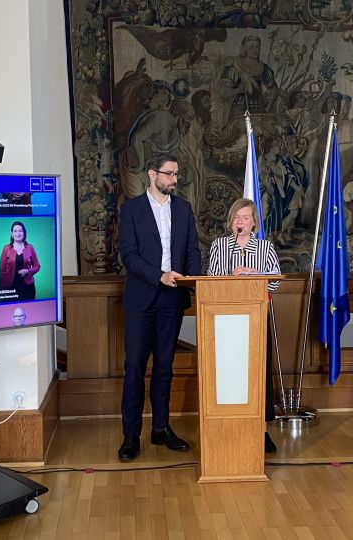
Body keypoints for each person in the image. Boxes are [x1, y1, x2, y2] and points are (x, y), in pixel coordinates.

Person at [117, 153, 201, 461]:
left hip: (173, 298)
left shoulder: (183, 209)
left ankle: (161, 429)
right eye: (169, 174)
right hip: (142, 298)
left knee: (165, 367)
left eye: (177, 174)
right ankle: (131, 435)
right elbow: (129, 254)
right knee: (135, 367)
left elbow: (192, 248)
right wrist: (159, 276)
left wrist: (191, 280)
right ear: (153, 174)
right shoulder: (132, 210)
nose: (175, 179)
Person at [206, 198, 280, 453]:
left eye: (245, 218)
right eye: (236, 218)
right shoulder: (219, 246)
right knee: (229, 375)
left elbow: (274, 282)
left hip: (257, 319)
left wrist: (254, 277)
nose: (240, 222)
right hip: (225, 323)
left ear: (254, 223)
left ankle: (263, 431)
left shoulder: (265, 248)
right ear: (231, 221)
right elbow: (212, 281)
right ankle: (229, 427)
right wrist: (232, 277)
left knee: (259, 374)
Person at [0, 221, 40, 301]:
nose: (18, 233)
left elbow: (37, 266)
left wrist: (27, 271)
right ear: (12, 234)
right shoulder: (6, 249)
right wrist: (1, 291)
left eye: (20, 231)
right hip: (10, 288)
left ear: (24, 233)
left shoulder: (30, 247)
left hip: (28, 288)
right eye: (15, 231)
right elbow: (2, 271)